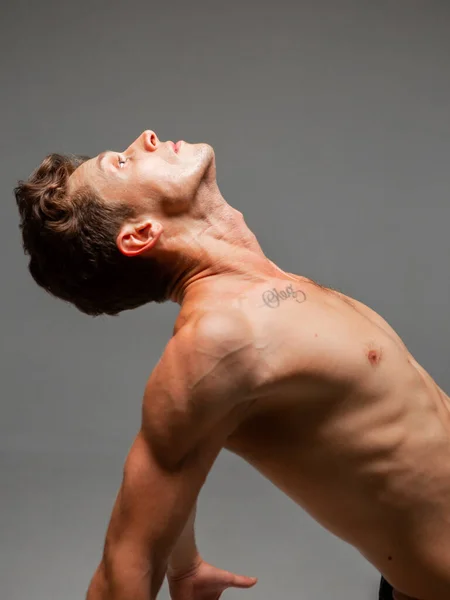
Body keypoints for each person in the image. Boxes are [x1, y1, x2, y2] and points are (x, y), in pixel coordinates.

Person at [14, 130, 450, 600]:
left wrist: (184, 566)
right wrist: (166, 564)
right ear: (141, 233)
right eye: (121, 162)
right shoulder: (217, 339)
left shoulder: (257, 290)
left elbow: (180, 459)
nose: (146, 137)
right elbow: (126, 561)